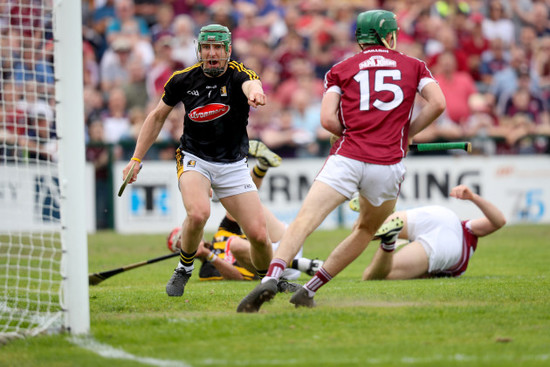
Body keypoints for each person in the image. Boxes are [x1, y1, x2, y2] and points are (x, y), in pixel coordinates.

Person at [237, 9, 446, 312]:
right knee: (364, 230)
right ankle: (310, 288)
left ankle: (271, 276)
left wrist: (345, 132)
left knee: (303, 221)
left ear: (360, 39)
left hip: (347, 156)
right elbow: (438, 103)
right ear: (390, 36)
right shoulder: (414, 66)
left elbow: (327, 120)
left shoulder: (340, 69)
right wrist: (407, 133)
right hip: (387, 164)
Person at [122, 24, 273, 298]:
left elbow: (253, 82)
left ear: (228, 50)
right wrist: (136, 158)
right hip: (195, 158)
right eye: (206, 47)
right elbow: (157, 117)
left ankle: (268, 282)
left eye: (217, 47)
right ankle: (184, 268)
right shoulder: (182, 79)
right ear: (199, 50)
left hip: (233, 164)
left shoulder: (240, 74)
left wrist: (255, 92)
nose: (212, 53)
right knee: (199, 213)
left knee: (259, 236)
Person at [165, 143, 324, 287]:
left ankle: (262, 166)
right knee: (235, 244)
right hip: (278, 268)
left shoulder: (221, 234)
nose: (183, 239)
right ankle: (296, 263)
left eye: (181, 235)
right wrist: (209, 256)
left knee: (245, 207)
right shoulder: (206, 269)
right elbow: (237, 277)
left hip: (282, 244)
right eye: (179, 243)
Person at [358, 185, 506, 280]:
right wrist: (473, 197)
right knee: (375, 276)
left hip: (439, 215)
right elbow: (499, 221)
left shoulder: (466, 227)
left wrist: (473, 197)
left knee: (362, 230)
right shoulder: (467, 236)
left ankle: (371, 209)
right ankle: (389, 239)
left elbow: (498, 221)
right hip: (447, 244)